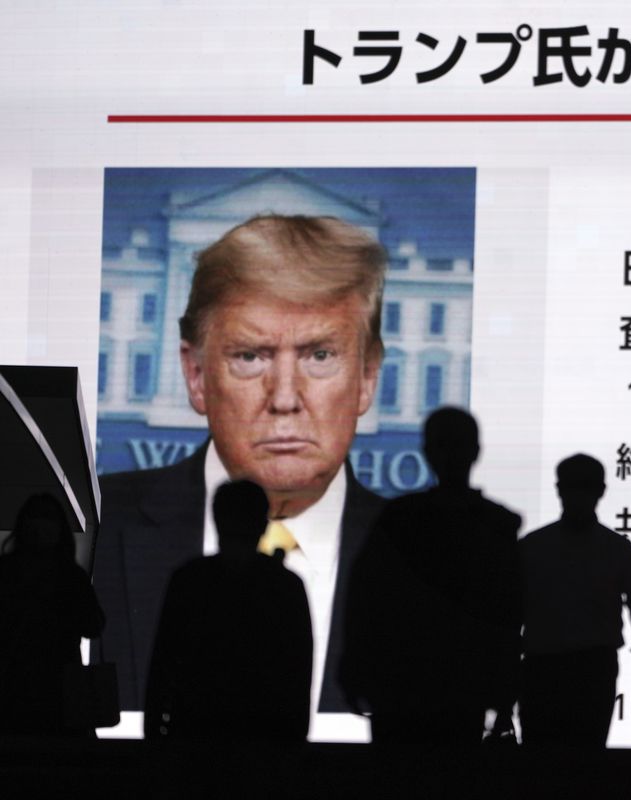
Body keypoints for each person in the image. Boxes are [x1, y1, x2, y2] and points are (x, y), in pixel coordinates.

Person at [93, 215, 387, 718]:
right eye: (251, 356)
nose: (286, 399)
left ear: (366, 377)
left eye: (319, 355)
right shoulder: (94, 526)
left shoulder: (420, 556)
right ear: (195, 375)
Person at [340, 407, 521, 749]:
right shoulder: (496, 526)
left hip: (402, 687)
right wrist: (504, 689)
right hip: (461, 689)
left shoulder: (397, 521)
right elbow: (509, 616)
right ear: (477, 452)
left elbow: (365, 601)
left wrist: (355, 671)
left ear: (426, 452)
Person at [144, 480, 312, 741]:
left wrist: (154, 731)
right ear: (264, 526)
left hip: (195, 732)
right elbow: (299, 671)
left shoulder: (188, 579)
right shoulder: (286, 586)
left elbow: (163, 662)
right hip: (265, 736)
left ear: (217, 520)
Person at [519, 454, 631, 749]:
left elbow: (508, 617)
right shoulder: (616, 548)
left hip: (548, 668)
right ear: (602, 490)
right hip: (586, 669)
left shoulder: (532, 547)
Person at [0, 493, 105, 736]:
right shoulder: (71, 576)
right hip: (63, 691)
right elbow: (94, 625)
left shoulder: (6, 571)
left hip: (12, 689)